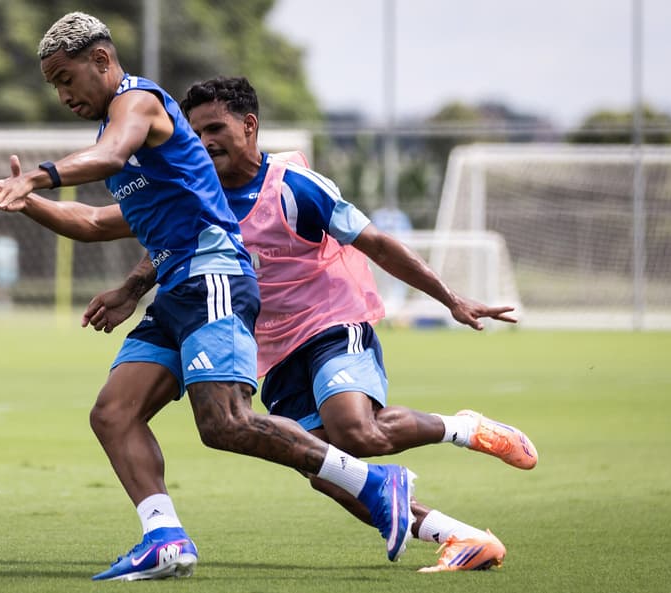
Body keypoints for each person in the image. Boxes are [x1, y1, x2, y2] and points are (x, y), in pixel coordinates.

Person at [0, 13, 416, 581]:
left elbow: (104, 158)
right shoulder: (130, 147)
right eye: (53, 84)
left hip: (214, 278)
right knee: (113, 414)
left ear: (101, 60)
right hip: (177, 292)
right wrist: (26, 203)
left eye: (66, 77)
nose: (61, 94)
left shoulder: (140, 103)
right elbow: (91, 222)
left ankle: (374, 483)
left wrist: (35, 177)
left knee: (224, 423)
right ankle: (164, 538)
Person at [80, 76, 537, 573]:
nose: (205, 141)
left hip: (330, 321)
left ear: (249, 126)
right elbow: (165, 241)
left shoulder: (295, 186)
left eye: (216, 128)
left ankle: (463, 428)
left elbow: (377, 243)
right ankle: (458, 536)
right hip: (268, 345)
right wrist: (129, 288)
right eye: (196, 132)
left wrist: (449, 298)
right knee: (325, 469)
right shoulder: (194, 188)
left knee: (355, 433)